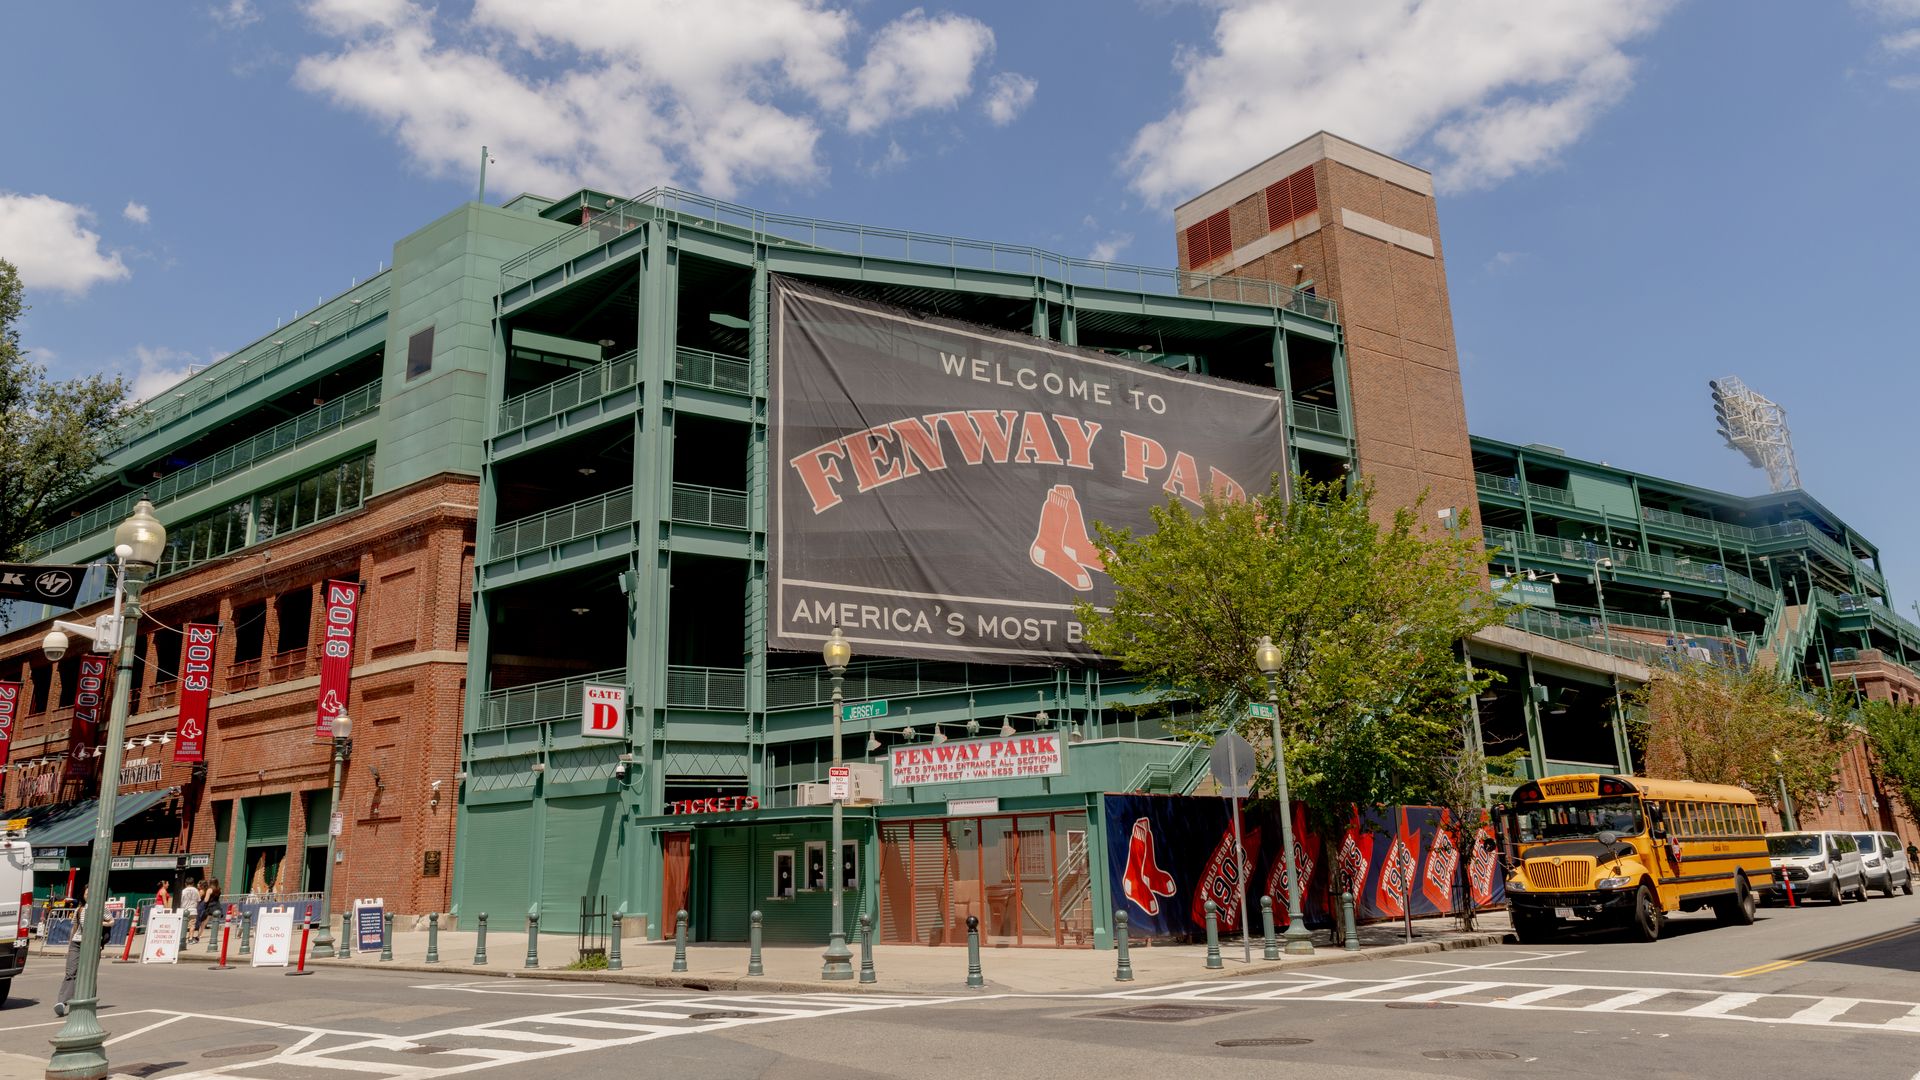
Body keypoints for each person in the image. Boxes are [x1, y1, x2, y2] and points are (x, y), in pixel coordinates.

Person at [54, 888, 114, 1018]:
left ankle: (88, 1000)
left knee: (89, 974)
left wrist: (99, 922)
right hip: (77, 942)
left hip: (93, 943)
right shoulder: (79, 909)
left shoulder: (101, 908)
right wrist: (70, 945)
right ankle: (62, 1003)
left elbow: (111, 922)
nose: (88, 895)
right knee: (71, 972)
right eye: (87, 893)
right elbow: (74, 928)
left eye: (91, 892)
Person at [180, 879, 202, 944]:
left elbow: (180, 900)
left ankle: (182, 938)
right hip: (193, 910)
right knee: (192, 925)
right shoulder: (196, 891)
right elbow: (198, 900)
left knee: (183, 925)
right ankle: (190, 938)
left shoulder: (183, 891)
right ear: (193, 883)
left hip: (184, 910)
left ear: (185, 883)